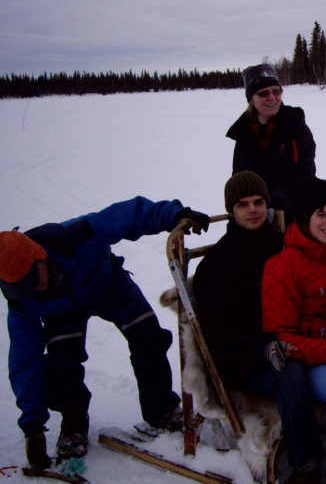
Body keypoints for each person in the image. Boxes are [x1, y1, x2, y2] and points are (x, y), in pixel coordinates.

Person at [0, 197, 210, 470]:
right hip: (63, 311)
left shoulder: (75, 236)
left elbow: (127, 215)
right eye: (22, 288)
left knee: (148, 335)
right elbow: (24, 360)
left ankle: (160, 410)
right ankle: (73, 424)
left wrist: (173, 214)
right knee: (62, 361)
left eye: (31, 280)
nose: (32, 290)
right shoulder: (24, 299)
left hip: (107, 284)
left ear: (40, 257)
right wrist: (32, 424)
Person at [191, 171, 324, 484]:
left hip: (292, 343)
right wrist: (267, 348)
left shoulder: (282, 246)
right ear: (231, 210)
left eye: (258, 202)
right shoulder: (217, 265)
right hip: (248, 361)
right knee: (288, 372)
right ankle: (306, 465)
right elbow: (220, 340)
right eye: (242, 204)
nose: (252, 209)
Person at [262, 178, 326, 484]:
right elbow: (281, 335)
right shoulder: (282, 265)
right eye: (322, 214)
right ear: (306, 217)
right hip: (308, 362)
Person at [226, 63, 316, 222]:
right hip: (255, 214)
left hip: (295, 213)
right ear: (251, 99)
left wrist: (274, 203)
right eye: (263, 93)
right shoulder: (244, 134)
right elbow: (240, 178)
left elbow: (303, 174)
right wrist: (240, 207)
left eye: (276, 91)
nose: (272, 98)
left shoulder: (296, 127)